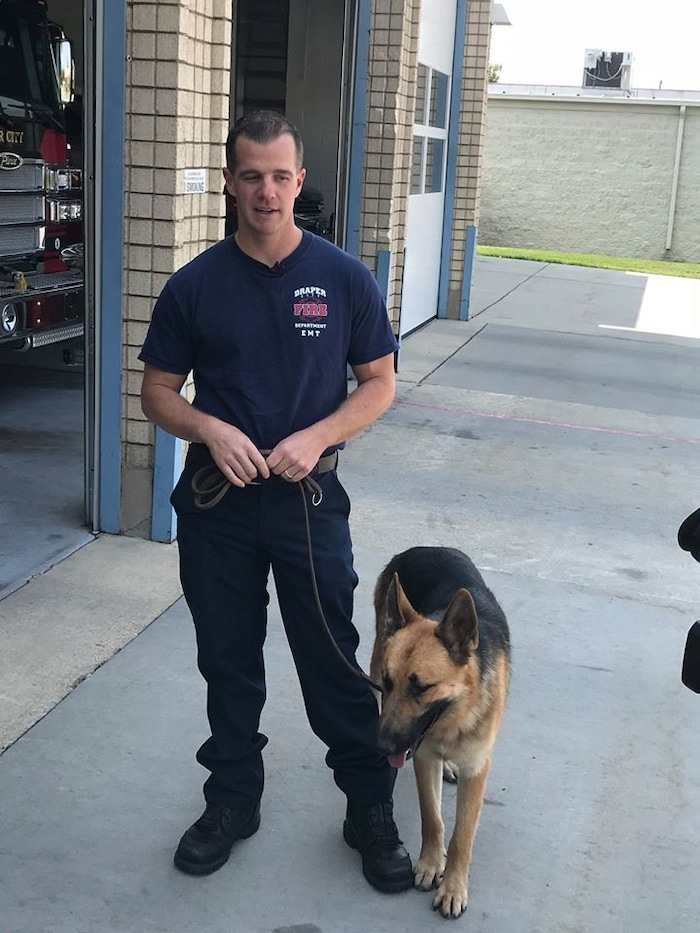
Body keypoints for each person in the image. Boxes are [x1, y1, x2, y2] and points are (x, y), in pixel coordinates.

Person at [138, 110, 413, 893]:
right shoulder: (195, 285)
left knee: (331, 658)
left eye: (279, 176)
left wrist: (318, 435)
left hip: (308, 501)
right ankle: (231, 800)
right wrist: (207, 425)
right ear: (230, 182)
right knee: (227, 660)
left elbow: (380, 382)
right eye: (250, 175)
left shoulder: (344, 278)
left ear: (299, 181)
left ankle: (368, 806)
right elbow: (158, 392)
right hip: (217, 503)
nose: (265, 191)